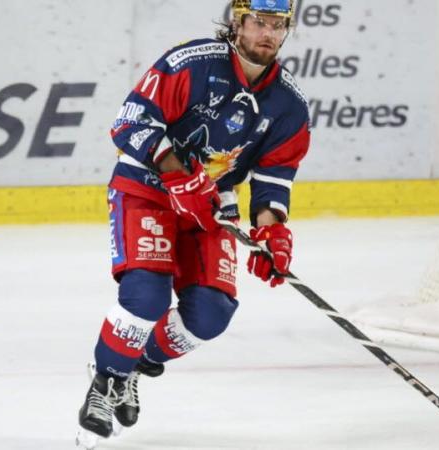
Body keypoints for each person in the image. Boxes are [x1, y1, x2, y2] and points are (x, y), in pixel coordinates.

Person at [76, 0, 311, 445]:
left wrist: (272, 230)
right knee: (145, 296)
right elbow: (130, 121)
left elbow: (274, 177)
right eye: (259, 22)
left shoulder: (289, 105)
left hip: (209, 207)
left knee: (211, 315)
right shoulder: (191, 63)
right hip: (146, 189)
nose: (268, 33)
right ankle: (106, 380)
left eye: (278, 25)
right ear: (238, 22)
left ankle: (131, 362)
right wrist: (176, 172)